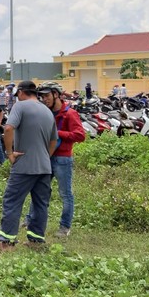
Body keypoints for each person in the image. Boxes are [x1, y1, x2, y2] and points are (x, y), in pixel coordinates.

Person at [0, 80, 58, 250]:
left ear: (22, 92)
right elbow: (54, 140)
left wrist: (9, 153)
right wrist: (45, 156)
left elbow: (8, 129)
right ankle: (36, 240)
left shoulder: (20, 106)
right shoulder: (47, 111)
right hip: (45, 167)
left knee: (12, 201)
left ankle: (7, 242)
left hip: (24, 164)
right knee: (40, 204)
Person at [25, 81, 86, 238]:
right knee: (39, 190)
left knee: (65, 194)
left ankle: (64, 227)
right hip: (46, 157)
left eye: (47, 96)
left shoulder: (70, 114)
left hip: (62, 159)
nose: (44, 99)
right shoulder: (45, 112)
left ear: (56, 94)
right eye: (42, 96)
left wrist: (58, 133)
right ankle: (29, 219)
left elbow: (80, 135)